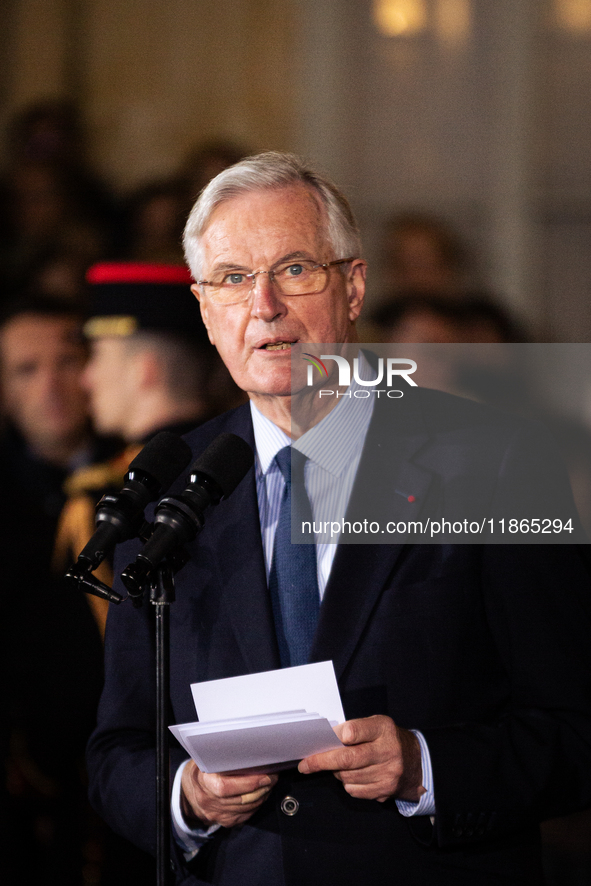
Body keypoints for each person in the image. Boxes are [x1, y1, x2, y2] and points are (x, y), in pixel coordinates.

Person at [87, 153, 591, 885]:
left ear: (352, 287)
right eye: (231, 279)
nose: (263, 306)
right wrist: (186, 796)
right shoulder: (164, 485)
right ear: (204, 310)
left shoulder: (493, 463)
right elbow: (117, 751)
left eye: (294, 269)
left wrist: (424, 766)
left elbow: (574, 728)